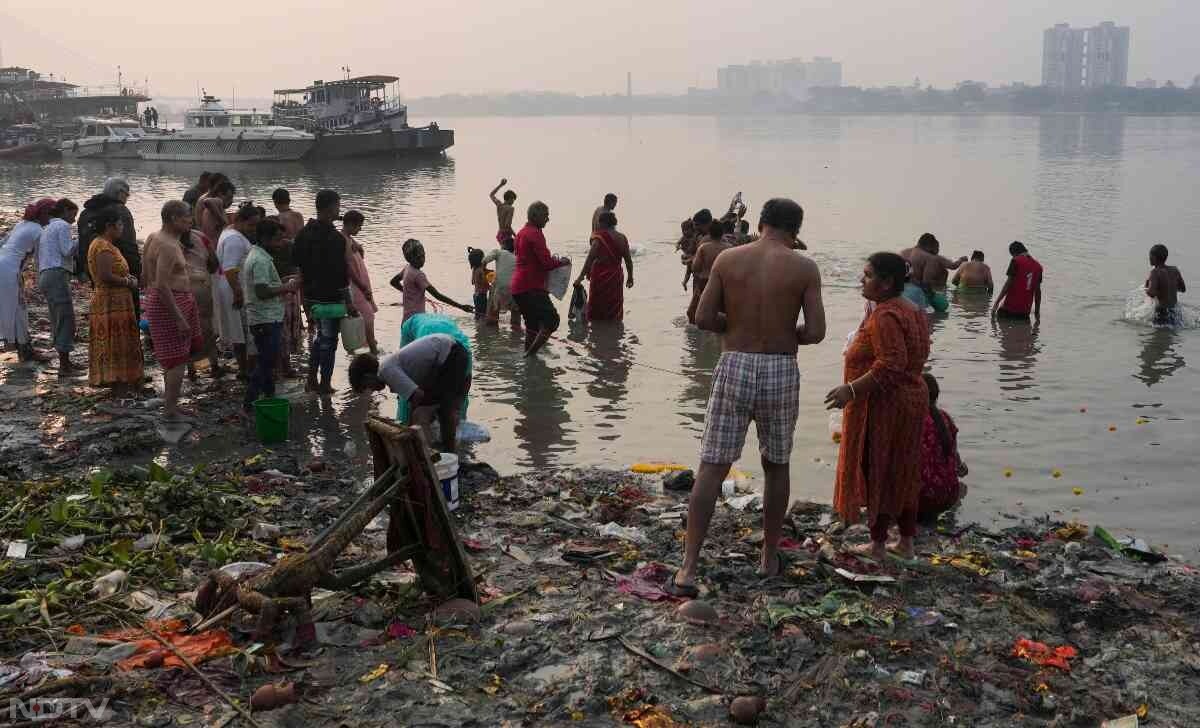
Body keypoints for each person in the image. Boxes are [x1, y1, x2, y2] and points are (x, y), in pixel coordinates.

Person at [669, 198, 825, 597]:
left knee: (711, 467)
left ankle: (688, 567)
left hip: (734, 362)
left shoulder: (728, 259)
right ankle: (769, 557)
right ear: (795, 230)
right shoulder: (804, 267)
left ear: (759, 223)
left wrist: (734, 325)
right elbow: (816, 331)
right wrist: (785, 333)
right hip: (779, 367)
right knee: (776, 464)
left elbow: (702, 318)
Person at [826, 252, 931, 561]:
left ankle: (879, 543)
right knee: (904, 468)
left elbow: (891, 364)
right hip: (912, 397)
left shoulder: (885, 315)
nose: (862, 279)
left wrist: (851, 390)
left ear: (886, 283)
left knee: (879, 468)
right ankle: (907, 542)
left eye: (868, 275)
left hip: (889, 402)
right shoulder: (912, 308)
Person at [349, 332, 471, 453]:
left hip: (451, 354)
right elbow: (418, 397)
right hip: (449, 352)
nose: (372, 390)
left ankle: (435, 454)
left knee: (430, 412)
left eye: (367, 386)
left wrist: (411, 431)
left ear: (367, 377)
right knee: (435, 409)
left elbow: (418, 398)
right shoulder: (388, 366)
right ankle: (440, 452)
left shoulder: (385, 371)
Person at [143, 201, 204, 423]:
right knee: (177, 359)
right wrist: (178, 316)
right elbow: (161, 284)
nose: (190, 221)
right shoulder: (167, 245)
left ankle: (171, 404)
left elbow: (145, 274)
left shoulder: (153, 237)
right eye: (187, 217)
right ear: (173, 219)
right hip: (169, 304)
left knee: (175, 356)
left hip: (163, 301)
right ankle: (170, 410)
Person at [292, 189, 354, 395]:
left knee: (319, 338)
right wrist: (350, 302)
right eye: (337, 206)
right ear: (329, 208)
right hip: (330, 299)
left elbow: (297, 264)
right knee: (329, 341)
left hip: (309, 297)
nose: (339, 210)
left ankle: (311, 379)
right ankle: (324, 384)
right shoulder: (335, 239)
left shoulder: (303, 233)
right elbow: (341, 275)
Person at [242, 219, 299, 411]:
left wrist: (282, 281)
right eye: (277, 239)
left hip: (263, 317)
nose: (280, 243)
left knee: (266, 360)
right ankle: (249, 403)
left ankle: (269, 396)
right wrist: (286, 287)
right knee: (266, 362)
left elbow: (265, 285)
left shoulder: (259, 255)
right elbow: (262, 291)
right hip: (265, 318)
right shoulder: (260, 260)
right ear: (265, 238)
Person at [86, 207, 144, 395]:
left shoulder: (106, 244)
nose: (122, 228)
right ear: (109, 226)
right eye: (119, 225)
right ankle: (117, 383)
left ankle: (122, 380)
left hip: (117, 301)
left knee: (119, 341)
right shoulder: (102, 246)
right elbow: (105, 276)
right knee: (114, 342)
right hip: (110, 302)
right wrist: (128, 281)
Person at [511, 201, 569, 356]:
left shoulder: (522, 232)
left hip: (518, 287)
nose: (547, 220)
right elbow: (546, 263)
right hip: (531, 287)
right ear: (535, 215)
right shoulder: (535, 234)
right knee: (552, 321)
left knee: (532, 325)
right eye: (546, 216)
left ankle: (528, 357)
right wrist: (562, 262)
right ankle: (530, 355)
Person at [1, 199, 54, 361]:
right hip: (9, 270)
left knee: (15, 310)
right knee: (18, 309)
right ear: (44, 214)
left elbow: (4, 243)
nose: (52, 219)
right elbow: (39, 259)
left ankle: (23, 349)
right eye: (51, 214)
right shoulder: (38, 230)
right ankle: (25, 350)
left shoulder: (22, 224)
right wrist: (41, 283)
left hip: (4, 264)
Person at [214, 203, 261, 378]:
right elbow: (230, 268)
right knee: (245, 332)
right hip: (235, 288)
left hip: (232, 286)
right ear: (240, 221)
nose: (253, 229)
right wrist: (239, 292)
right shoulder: (235, 239)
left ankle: (244, 369)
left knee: (239, 332)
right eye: (251, 224)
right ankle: (248, 370)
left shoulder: (230, 232)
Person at [917, 373, 967, 522]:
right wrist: (961, 467)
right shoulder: (945, 418)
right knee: (962, 487)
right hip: (948, 496)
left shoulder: (913, 420)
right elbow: (957, 460)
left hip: (922, 499)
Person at [37, 199, 80, 371]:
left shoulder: (47, 227)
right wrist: (80, 239)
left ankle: (64, 359)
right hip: (56, 274)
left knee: (57, 317)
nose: (74, 219)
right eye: (73, 214)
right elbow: (67, 250)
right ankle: (65, 364)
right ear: (64, 211)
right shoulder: (62, 225)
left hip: (45, 274)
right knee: (65, 317)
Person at [389, 238, 474, 324]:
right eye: (418, 257)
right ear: (410, 259)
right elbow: (437, 296)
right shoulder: (418, 275)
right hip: (417, 321)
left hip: (406, 320)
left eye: (423, 256)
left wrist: (408, 292)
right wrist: (461, 307)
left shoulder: (407, 268)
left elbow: (393, 282)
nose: (422, 259)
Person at [78, 179, 139, 297]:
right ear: (120, 193)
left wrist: (82, 269)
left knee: (102, 299)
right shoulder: (120, 211)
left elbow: (82, 244)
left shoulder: (86, 212)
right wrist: (136, 271)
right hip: (119, 269)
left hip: (93, 268)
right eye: (127, 195)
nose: (127, 198)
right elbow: (129, 243)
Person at [574, 210, 633, 321]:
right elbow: (628, 260)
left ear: (603, 223)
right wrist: (630, 277)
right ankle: (614, 328)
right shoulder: (622, 238)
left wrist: (581, 276)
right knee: (614, 303)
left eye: (599, 223)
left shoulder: (599, 238)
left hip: (600, 276)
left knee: (597, 304)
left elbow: (590, 258)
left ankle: (596, 329)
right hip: (616, 276)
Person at [182, 225, 224, 380]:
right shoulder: (201, 236)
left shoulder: (166, 238)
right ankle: (214, 366)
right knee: (206, 327)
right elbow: (214, 264)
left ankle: (191, 369)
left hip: (180, 289)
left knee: (185, 329)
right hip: (202, 287)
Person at [901, 233, 966, 313]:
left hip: (899, 289)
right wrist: (934, 297)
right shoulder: (929, 258)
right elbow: (926, 283)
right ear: (930, 246)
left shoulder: (902, 253)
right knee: (942, 306)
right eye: (937, 248)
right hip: (916, 292)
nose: (937, 252)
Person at [342, 210, 378, 353]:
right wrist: (362, 287)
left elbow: (360, 255)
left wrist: (359, 247)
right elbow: (348, 268)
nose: (360, 229)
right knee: (367, 317)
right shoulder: (344, 240)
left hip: (360, 282)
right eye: (359, 226)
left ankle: (359, 351)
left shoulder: (349, 238)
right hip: (354, 285)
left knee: (364, 317)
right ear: (350, 224)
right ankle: (373, 351)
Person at [686, 217, 732, 324]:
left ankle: (701, 337)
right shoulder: (729, 248)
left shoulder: (704, 247)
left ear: (709, 233)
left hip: (704, 283)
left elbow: (695, 268)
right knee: (719, 310)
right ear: (722, 233)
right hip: (722, 283)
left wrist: (689, 261)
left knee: (693, 313)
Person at [992, 241, 1043, 321]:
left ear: (1014, 253)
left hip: (1009, 309)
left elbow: (1008, 284)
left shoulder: (1016, 261)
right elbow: (1038, 292)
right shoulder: (1038, 267)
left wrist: (997, 302)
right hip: (1025, 312)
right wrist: (1037, 311)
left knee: (997, 325)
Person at [482, 234, 520, 329]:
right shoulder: (518, 258)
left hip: (499, 289)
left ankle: (492, 333)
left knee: (492, 316)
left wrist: (484, 271)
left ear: (503, 246)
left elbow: (484, 261)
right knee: (516, 317)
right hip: (516, 289)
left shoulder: (498, 252)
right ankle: (516, 337)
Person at [1145, 244, 1187, 327]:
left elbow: (1151, 293)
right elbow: (1183, 289)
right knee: (1171, 336)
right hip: (1174, 312)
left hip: (1161, 313)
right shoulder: (1174, 270)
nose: (1149, 258)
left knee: (1158, 337)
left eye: (1150, 256)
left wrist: (1145, 288)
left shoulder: (1155, 272)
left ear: (1154, 257)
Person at [676, 219, 698, 290]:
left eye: (686, 230)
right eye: (682, 230)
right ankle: (684, 282)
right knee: (688, 271)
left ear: (692, 229)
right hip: (689, 256)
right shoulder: (684, 237)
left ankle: (685, 282)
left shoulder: (695, 236)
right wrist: (678, 246)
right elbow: (678, 242)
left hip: (692, 256)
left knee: (689, 271)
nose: (684, 232)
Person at [469, 247, 489, 318]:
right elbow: (485, 282)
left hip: (476, 295)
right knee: (483, 314)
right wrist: (491, 287)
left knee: (478, 314)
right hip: (482, 296)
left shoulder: (474, 269)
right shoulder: (480, 270)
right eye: (483, 257)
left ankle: (478, 327)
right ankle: (481, 327)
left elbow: (472, 282)